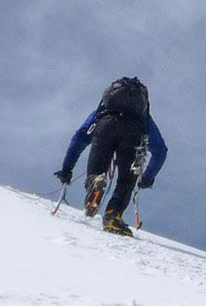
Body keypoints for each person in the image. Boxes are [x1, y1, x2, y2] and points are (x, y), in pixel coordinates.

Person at [54, 77, 168, 237]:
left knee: (96, 172)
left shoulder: (102, 111)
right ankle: (113, 216)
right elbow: (161, 150)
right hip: (133, 134)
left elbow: (79, 136)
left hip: (104, 126)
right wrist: (148, 176)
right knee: (126, 182)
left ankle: (95, 181)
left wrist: (67, 168)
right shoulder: (144, 117)